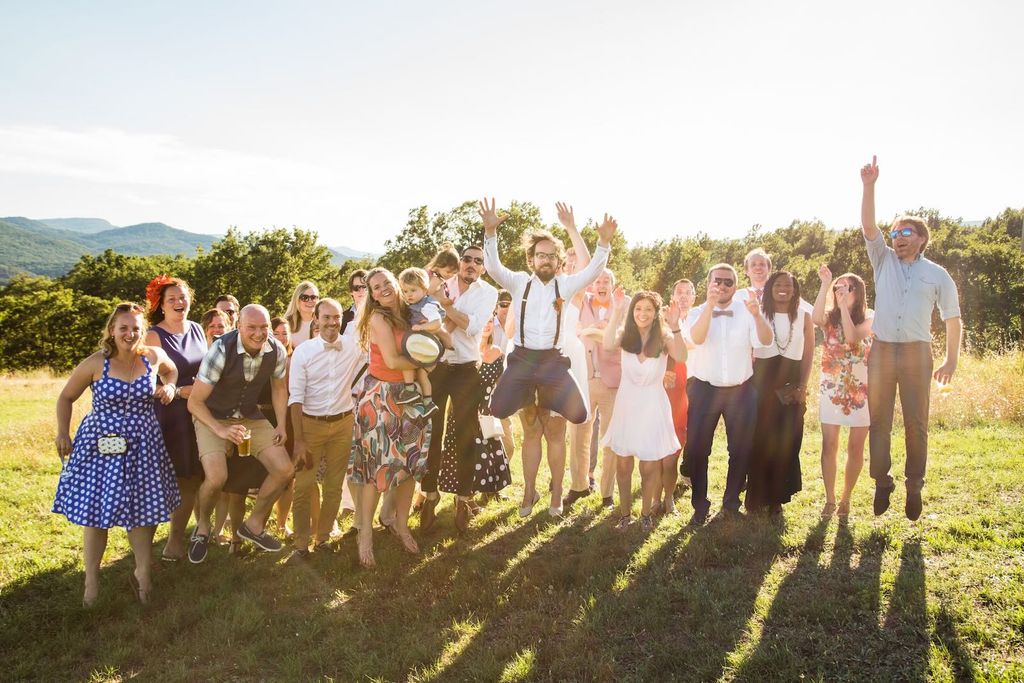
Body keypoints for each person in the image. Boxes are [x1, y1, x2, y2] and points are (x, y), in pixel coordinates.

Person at [481, 198, 617, 516]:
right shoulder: (518, 283)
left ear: (558, 261)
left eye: (550, 255)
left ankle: (556, 494)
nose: (545, 259)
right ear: (531, 259)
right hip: (523, 360)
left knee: (576, 417)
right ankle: (529, 493)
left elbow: (595, 268)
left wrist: (604, 243)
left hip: (554, 362)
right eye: (539, 255)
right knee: (508, 413)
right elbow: (493, 268)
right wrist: (490, 233)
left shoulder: (567, 286)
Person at [53, 302, 181, 606]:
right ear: (112, 330)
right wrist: (62, 431)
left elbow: (171, 370)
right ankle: (91, 582)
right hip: (101, 447)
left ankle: (142, 572)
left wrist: (171, 387)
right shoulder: (97, 363)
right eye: (123, 327)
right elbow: (66, 397)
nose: (130, 333)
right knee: (96, 514)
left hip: (144, 446)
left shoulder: (153, 356)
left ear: (143, 331)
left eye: (136, 328)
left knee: (142, 510)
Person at [859, 155, 961, 520]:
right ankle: (882, 481)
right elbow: (869, 225)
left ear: (920, 240)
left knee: (917, 421)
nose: (898, 238)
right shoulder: (882, 260)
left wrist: (951, 359)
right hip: (882, 352)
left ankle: (914, 484)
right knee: (879, 420)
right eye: (896, 233)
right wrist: (869, 186)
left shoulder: (937, 275)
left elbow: (952, 318)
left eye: (905, 233)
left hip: (918, 353)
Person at [186, 304, 294, 562]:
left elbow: (279, 389)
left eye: (264, 327)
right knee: (216, 477)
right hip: (211, 415)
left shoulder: (276, 349)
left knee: (285, 469)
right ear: (239, 327)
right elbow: (195, 402)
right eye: (252, 328)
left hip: (249, 416)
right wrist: (220, 429)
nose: (259, 333)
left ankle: (253, 525)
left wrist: (281, 424)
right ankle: (202, 527)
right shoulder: (221, 349)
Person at [349, 268, 432, 567]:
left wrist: (430, 355)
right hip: (381, 397)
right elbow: (394, 359)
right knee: (375, 469)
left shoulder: (412, 311)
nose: (382, 289)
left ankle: (401, 524)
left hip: (411, 397)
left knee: (409, 464)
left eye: (386, 283)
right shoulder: (378, 318)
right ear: (370, 294)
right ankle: (365, 534)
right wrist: (426, 358)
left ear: (396, 283)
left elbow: (434, 339)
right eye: (375, 287)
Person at [683, 264, 773, 525]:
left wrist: (757, 316)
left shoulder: (748, 311)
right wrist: (710, 307)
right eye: (717, 281)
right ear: (708, 283)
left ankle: (731, 503)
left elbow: (765, 341)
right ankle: (700, 506)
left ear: (736, 286)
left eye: (728, 282)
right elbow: (697, 339)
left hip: (740, 390)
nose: (722, 286)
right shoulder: (698, 312)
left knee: (741, 449)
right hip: (704, 390)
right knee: (699, 450)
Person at [419, 244, 499, 532]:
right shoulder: (440, 283)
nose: (472, 264)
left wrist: (446, 305)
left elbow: (472, 327)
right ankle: (429, 495)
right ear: (460, 261)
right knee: (432, 433)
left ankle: (463, 498)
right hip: (438, 367)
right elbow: (428, 320)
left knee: (466, 436)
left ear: (483, 268)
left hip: (467, 368)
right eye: (467, 259)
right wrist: (439, 300)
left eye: (478, 261)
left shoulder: (488, 293)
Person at [601, 290, 686, 530]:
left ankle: (646, 513)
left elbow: (681, 355)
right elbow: (607, 344)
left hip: (653, 404)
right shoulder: (624, 334)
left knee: (649, 464)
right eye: (638, 308)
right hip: (627, 405)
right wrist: (617, 309)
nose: (642, 313)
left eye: (648, 309)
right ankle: (625, 515)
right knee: (623, 464)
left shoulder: (664, 336)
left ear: (656, 312)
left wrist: (676, 325)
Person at [287, 298, 360, 558]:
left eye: (336, 317)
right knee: (305, 486)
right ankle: (300, 544)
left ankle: (323, 539)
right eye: (326, 317)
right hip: (310, 426)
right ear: (316, 320)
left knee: (333, 485)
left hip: (343, 423)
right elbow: (295, 398)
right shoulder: (303, 352)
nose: (332, 322)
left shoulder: (353, 347)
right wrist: (299, 441)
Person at [143, 275, 207, 562]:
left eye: (183, 297)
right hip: (168, 415)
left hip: (199, 412)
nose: (180, 303)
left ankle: (175, 541)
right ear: (161, 305)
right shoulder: (153, 336)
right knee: (160, 485)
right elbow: (143, 384)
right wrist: (179, 391)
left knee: (192, 479)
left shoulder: (196, 329)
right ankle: (143, 553)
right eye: (172, 299)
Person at [745, 271, 814, 516]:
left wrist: (803, 386)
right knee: (760, 440)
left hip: (792, 383)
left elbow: (808, 354)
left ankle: (777, 499)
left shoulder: (804, 316)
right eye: (778, 284)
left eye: (789, 285)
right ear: (770, 288)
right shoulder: (758, 313)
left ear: (795, 290)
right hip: (762, 382)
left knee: (787, 442)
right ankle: (755, 498)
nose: (783, 288)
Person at [813, 265, 873, 519]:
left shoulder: (870, 316)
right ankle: (830, 499)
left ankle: (846, 497)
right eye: (840, 287)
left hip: (861, 390)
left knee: (856, 447)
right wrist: (826, 285)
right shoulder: (828, 316)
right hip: (831, 388)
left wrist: (846, 310)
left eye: (848, 288)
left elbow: (852, 338)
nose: (843, 291)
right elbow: (816, 318)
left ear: (858, 292)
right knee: (829, 444)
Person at [438, 318, 511, 504]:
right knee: (467, 451)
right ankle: (464, 497)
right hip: (463, 408)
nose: (486, 324)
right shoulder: (463, 353)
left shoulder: (496, 351)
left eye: (490, 320)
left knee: (491, 450)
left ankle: (490, 490)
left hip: (486, 408)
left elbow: (501, 383)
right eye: (483, 320)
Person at [567, 268, 621, 509]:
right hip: (583, 378)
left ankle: (607, 492)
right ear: (591, 285)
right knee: (578, 434)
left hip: (612, 381)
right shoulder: (580, 301)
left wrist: (605, 330)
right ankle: (578, 486)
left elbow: (626, 336)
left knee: (610, 438)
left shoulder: (623, 304)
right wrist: (589, 330)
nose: (602, 284)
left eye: (606, 281)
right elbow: (572, 331)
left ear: (612, 284)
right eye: (598, 280)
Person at [658, 278, 696, 514]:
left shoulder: (699, 317)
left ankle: (676, 483)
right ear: (672, 295)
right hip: (668, 382)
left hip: (695, 382)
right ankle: (658, 491)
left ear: (693, 296)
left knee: (684, 435)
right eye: (678, 292)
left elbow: (698, 342)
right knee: (662, 436)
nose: (682, 296)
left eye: (687, 292)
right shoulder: (661, 317)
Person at [396, 266, 444, 414]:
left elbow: (437, 323)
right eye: (405, 291)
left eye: (413, 290)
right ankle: (428, 401)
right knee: (421, 374)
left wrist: (422, 327)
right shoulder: (414, 304)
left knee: (407, 360)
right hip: (422, 343)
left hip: (427, 344)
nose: (409, 295)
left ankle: (410, 389)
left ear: (424, 289)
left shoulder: (427, 306)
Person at [285, 280, 320, 348]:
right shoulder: (287, 323)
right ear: (297, 299)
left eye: (313, 297)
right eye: (305, 298)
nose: (310, 301)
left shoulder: (324, 322)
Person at [341, 269, 368, 338]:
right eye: (356, 288)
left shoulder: (380, 313)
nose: (361, 290)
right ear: (351, 291)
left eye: (365, 287)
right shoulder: (342, 317)